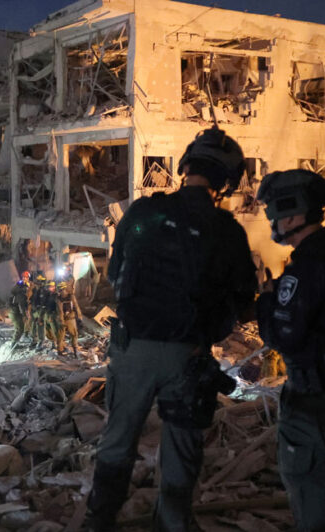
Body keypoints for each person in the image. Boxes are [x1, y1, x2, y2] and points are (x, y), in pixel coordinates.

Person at [87, 126, 257, 531]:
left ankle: (99, 520)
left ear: (185, 166)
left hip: (132, 351)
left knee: (117, 439)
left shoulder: (144, 212)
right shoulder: (227, 230)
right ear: (226, 181)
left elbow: (115, 271)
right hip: (189, 355)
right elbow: (244, 299)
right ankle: (173, 524)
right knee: (181, 450)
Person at [255, 169, 325, 531]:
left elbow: (283, 336)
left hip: (316, 392)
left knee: (307, 476)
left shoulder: (308, 265)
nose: (272, 222)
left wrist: (266, 302)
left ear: (293, 214)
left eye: (274, 214)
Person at [58, 281, 82, 356]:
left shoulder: (59, 298)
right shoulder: (70, 296)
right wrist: (79, 316)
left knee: (61, 336)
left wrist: (61, 320)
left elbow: (60, 311)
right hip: (70, 319)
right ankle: (75, 351)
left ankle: (60, 351)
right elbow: (76, 307)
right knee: (73, 334)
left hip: (65, 319)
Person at [8, 272, 32, 347]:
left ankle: (26, 335)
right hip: (16, 309)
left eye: (27, 277)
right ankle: (14, 343)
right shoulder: (19, 287)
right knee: (19, 327)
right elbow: (20, 301)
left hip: (22, 308)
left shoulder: (29, 285)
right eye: (24, 277)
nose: (25, 278)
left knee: (27, 321)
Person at [41, 281, 64, 354]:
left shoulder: (56, 296)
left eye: (50, 287)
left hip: (53, 316)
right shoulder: (47, 295)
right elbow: (44, 306)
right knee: (48, 331)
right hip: (47, 315)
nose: (49, 288)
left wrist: (60, 318)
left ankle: (60, 348)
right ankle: (54, 344)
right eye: (48, 287)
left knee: (57, 332)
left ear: (54, 287)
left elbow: (59, 308)